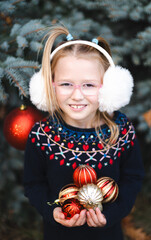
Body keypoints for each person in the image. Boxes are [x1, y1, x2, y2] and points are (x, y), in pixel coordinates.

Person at [23, 25, 144, 240]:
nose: (77, 95)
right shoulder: (42, 135)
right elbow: (34, 184)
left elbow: (132, 179)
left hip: (108, 234)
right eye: (66, 84)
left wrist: (111, 215)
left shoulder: (121, 131)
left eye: (88, 85)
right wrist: (52, 212)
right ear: (50, 86)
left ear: (109, 87)